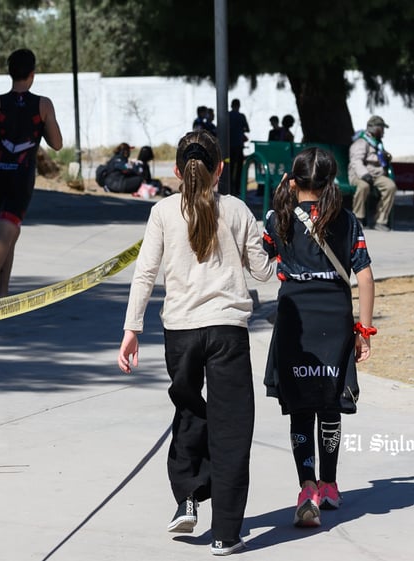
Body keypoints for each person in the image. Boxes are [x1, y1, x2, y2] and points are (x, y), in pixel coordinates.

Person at [118, 130, 274, 556]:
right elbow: (263, 273)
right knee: (232, 427)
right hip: (227, 331)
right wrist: (276, 243)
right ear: (221, 169)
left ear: (175, 170)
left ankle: (187, 495)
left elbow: (145, 273)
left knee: (189, 411)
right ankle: (225, 531)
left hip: (180, 332)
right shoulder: (239, 210)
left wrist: (133, 329)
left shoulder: (164, 211)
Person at [262, 146, 375, 528]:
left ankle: (306, 486)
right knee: (330, 404)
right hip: (336, 320)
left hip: (295, 321)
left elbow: (260, 258)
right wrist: (364, 329)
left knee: (299, 407)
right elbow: (364, 275)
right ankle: (329, 484)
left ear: (292, 181)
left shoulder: (276, 218)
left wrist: (281, 195)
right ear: (331, 182)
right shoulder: (346, 220)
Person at [0, 48, 63, 305]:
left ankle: (3, 294)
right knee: (5, 234)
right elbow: (57, 144)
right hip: (21, 178)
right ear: (32, 75)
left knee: (9, 232)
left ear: (10, 73)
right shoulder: (43, 104)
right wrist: (42, 127)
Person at [347, 115, 397, 231]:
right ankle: (358, 218)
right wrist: (364, 174)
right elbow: (356, 161)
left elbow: (380, 159)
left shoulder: (377, 143)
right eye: (382, 128)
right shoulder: (361, 141)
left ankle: (381, 220)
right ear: (374, 128)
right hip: (359, 175)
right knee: (363, 187)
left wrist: (386, 157)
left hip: (376, 175)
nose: (383, 131)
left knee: (390, 186)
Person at [228, 99, 250, 194]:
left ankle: (229, 187)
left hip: (229, 146)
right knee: (239, 169)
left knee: (230, 167)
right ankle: (237, 188)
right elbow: (247, 129)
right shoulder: (241, 116)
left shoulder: (227, 115)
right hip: (239, 145)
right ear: (238, 106)